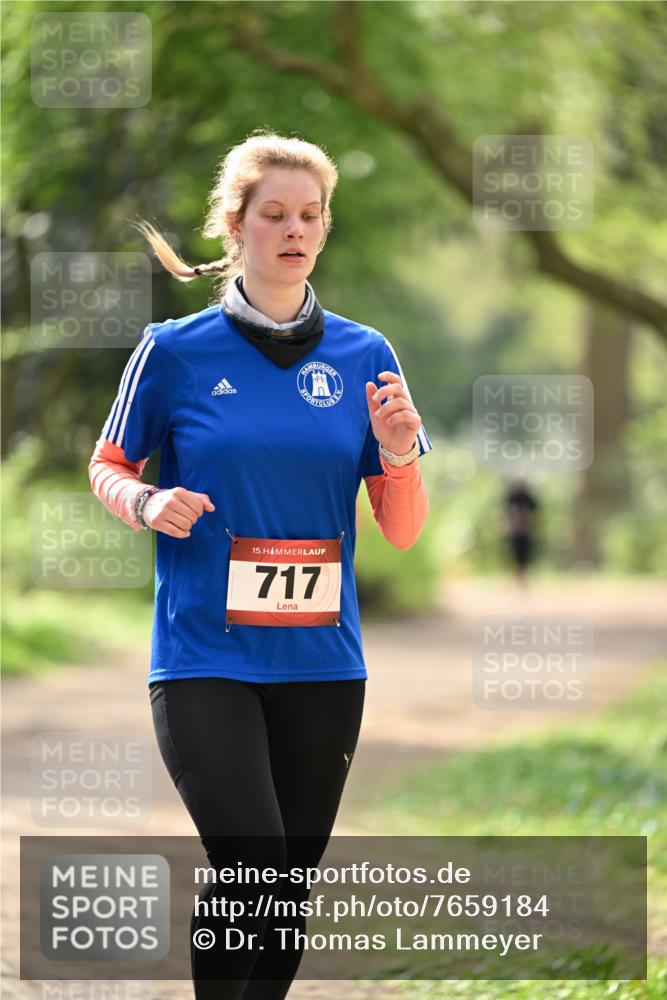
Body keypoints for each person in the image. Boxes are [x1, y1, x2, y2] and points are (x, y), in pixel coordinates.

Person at [88, 131, 432, 999]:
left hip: (322, 662)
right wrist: (146, 503)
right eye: (273, 214)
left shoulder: (366, 355)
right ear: (234, 225)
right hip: (205, 653)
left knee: (283, 888)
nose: (294, 229)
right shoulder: (173, 351)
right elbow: (109, 465)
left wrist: (398, 455)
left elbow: (400, 531)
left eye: (310, 215)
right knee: (252, 857)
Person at [502, 476, 539, 589]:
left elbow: (534, 515)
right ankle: (519, 583)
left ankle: (522, 583)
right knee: (517, 558)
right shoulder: (512, 497)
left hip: (523, 532)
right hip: (517, 532)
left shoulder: (527, 498)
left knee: (524, 558)